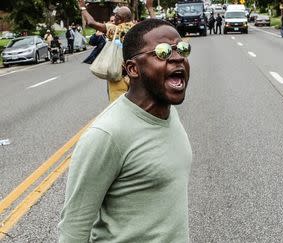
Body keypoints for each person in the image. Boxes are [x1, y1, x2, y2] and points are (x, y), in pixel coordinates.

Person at [58, 18, 192, 242]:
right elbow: (73, 230)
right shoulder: (108, 135)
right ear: (132, 69)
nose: (177, 57)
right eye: (163, 52)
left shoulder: (167, 112)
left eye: (182, 49)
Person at [76, 0, 153, 103]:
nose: (114, 18)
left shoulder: (114, 29)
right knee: (137, 105)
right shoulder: (138, 29)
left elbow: (91, 22)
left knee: (118, 107)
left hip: (118, 76)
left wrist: (83, 8)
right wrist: (150, 8)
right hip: (136, 76)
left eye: (116, 16)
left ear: (121, 19)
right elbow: (155, 26)